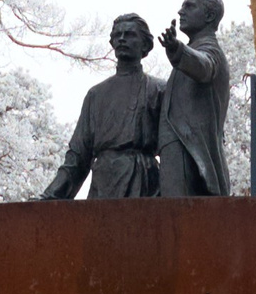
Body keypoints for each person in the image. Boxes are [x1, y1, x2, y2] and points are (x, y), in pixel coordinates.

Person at [39, 14, 163, 199]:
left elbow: (174, 149)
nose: (122, 39)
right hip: (104, 182)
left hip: (145, 183)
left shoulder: (159, 89)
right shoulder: (96, 94)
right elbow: (79, 153)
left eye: (129, 34)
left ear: (145, 45)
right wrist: (53, 193)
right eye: (117, 35)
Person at [156, 0, 234, 198]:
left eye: (189, 6)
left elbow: (204, 67)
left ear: (209, 16)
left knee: (180, 214)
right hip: (176, 149)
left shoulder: (211, 51)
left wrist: (177, 49)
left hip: (188, 150)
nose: (181, 11)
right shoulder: (193, 51)